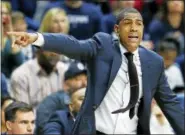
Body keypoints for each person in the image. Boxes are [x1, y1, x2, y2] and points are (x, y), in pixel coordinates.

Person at [7, 7, 184, 135]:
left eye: (139, 24)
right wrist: (38, 38)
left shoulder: (154, 62)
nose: (133, 28)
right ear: (116, 30)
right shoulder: (103, 46)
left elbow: (170, 104)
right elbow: (72, 45)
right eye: (127, 23)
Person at [35, 61, 87, 134]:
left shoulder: (95, 104)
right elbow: (44, 127)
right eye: (78, 79)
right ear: (66, 84)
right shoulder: (52, 100)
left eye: (86, 79)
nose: (84, 83)